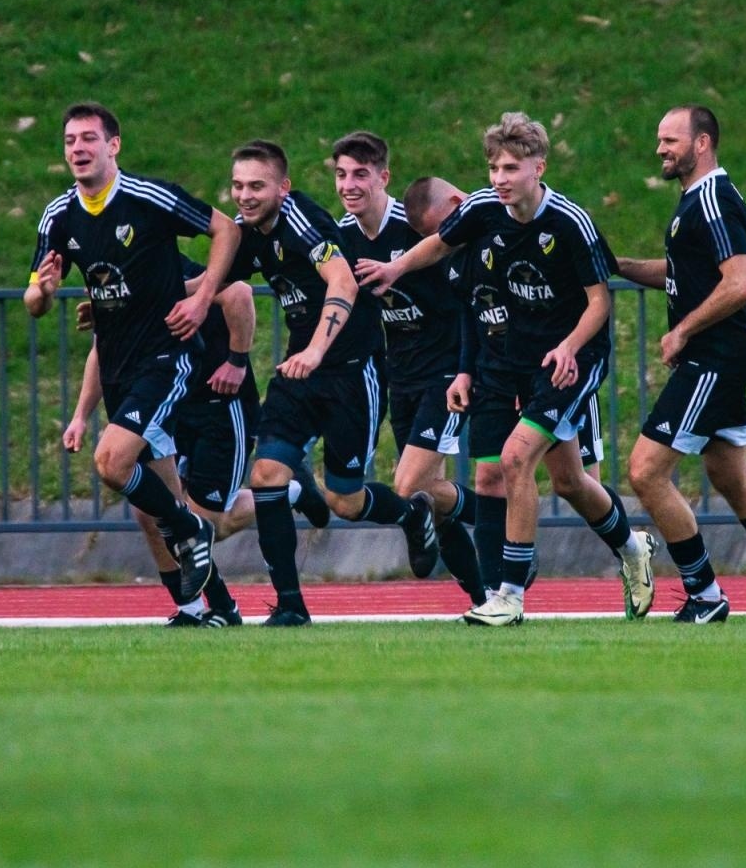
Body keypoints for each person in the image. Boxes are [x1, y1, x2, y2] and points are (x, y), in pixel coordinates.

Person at [358, 112, 655, 627]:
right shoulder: (481, 210)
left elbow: (598, 303)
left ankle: (510, 597)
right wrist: (396, 269)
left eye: (510, 168)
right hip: (503, 361)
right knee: (519, 476)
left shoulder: (569, 222)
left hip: (568, 362)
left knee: (518, 460)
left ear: (538, 168)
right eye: (494, 167)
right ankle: (629, 547)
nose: (499, 178)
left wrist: (567, 349)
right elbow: (445, 250)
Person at [25, 102, 242, 611]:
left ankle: (192, 530)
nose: (78, 149)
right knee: (152, 508)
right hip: (118, 366)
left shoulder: (149, 197)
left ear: (113, 145)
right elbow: (32, 299)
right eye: (69, 141)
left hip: (167, 355)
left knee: (110, 462)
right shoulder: (59, 215)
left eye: (88, 139)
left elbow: (225, 230)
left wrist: (203, 295)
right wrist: (46, 291)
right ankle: (215, 609)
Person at [617, 105, 746, 624]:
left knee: (645, 471)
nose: (661, 149)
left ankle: (705, 595)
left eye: (670, 140)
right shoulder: (697, 201)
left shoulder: (713, 200)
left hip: (714, 357)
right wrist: (620, 266)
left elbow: (741, 282)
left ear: (702, 143)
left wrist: (682, 330)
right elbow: (686, 271)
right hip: (724, 354)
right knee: (730, 475)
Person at [224, 139, 437, 627]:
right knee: (265, 476)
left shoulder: (302, 219)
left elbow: (341, 283)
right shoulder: (248, 231)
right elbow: (207, 279)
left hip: (350, 372)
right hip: (299, 374)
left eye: (256, 185)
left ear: (284, 187)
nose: (245, 195)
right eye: (238, 185)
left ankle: (410, 515)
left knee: (346, 498)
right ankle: (291, 605)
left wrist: (317, 350)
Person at [64, 264, 330, 627]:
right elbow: (101, 352)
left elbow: (239, 293)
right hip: (171, 406)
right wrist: (80, 415)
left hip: (221, 408)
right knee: (152, 513)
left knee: (206, 526)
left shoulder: (175, 272)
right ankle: (192, 609)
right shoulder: (118, 289)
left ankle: (292, 489)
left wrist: (236, 361)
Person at [333, 136, 484, 605]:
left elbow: (467, 295)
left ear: (384, 177)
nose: (349, 185)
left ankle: (503, 522)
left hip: (446, 373)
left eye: (361, 174)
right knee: (432, 506)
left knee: (409, 487)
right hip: (399, 377)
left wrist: (468, 368)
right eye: (341, 175)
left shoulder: (418, 226)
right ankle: (485, 596)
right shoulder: (344, 234)